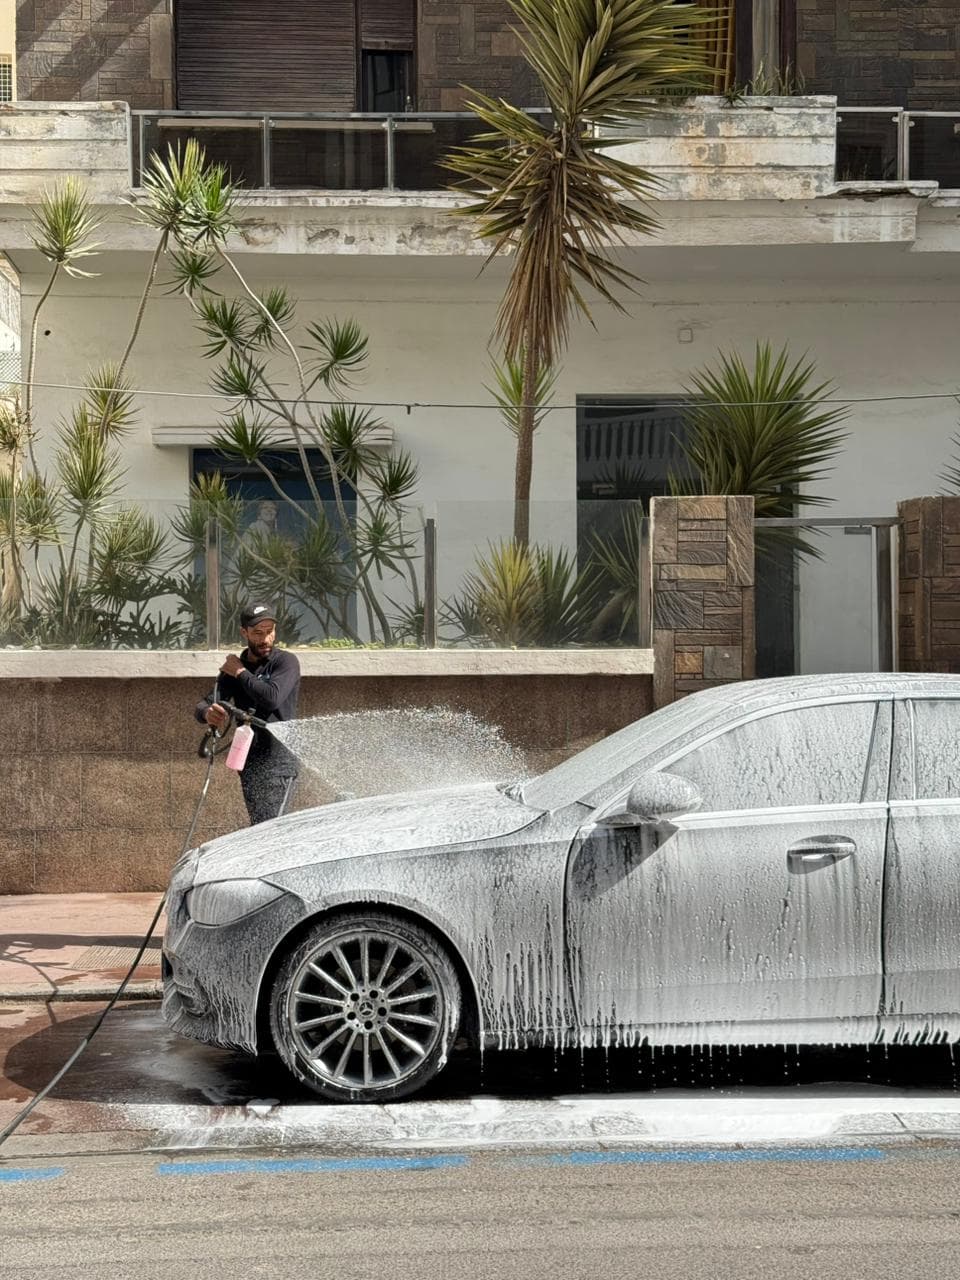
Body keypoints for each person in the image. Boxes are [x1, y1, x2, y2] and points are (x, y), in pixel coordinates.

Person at [195, 603, 301, 825]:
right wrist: (207, 713)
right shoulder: (236, 668)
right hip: (250, 761)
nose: (265, 639)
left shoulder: (285, 662)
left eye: (270, 632)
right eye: (258, 633)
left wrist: (240, 672)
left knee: (273, 827)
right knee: (258, 827)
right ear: (244, 632)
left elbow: (271, 697)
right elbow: (204, 703)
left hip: (279, 761)